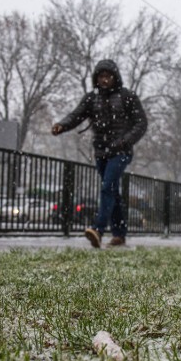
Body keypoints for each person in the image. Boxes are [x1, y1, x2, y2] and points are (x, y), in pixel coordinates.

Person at [52, 59, 148, 248]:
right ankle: (119, 234)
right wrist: (62, 125)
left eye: (108, 76)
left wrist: (124, 141)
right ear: (96, 78)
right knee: (112, 191)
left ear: (115, 77)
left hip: (121, 151)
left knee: (107, 186)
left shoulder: (126, 96)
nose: (104, 80)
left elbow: (141, 123)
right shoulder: (92, 98)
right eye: (101, 76)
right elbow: (76, 115)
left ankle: (98, 229)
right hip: (100, 152)